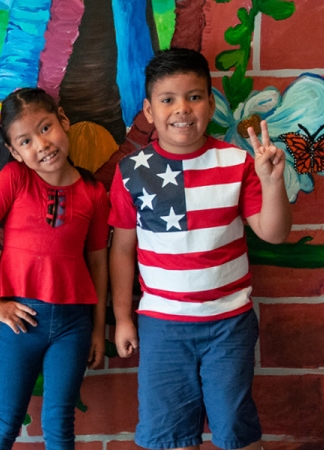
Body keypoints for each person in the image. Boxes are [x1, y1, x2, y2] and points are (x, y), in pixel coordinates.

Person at [109, 48, 292, 450]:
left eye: (194, 96)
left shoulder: (238, 163)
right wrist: (123, 318)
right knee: (169, 436)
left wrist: (273, 180)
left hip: (228, 323)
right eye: (167, 99)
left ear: (211, 103)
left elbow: (274, 233)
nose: (182, 109)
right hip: (161, 325)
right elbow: (122, 250)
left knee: (235, 432)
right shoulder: (130, 172)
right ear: (149, 110)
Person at [0, 87, 110, 450]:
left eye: (46, 128)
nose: (41, 145)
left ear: (63, 120)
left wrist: (97, 327)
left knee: (59, 420)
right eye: (25, 141)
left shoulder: (94, 193)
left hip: (74, 325)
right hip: (21, 320)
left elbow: (98, 261)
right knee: (7, 416)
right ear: (14, 152)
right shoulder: (14, 179)